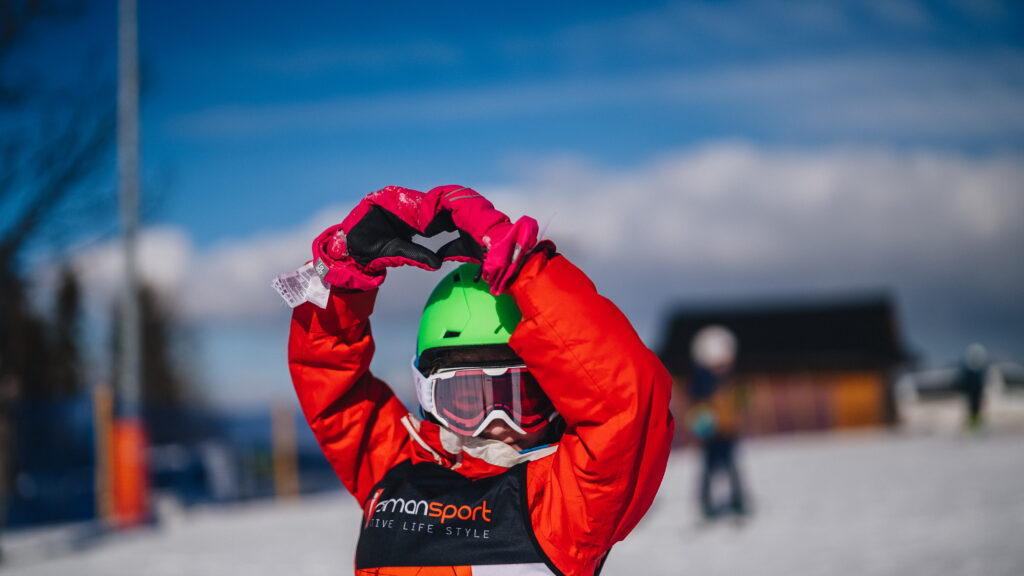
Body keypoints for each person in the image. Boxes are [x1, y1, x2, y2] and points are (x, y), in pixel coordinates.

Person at [283, 185, 674, 575]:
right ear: (429, 397)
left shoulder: (565, 506)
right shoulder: (395, 468)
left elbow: (622, 403)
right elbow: (329, 381)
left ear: (558, 396)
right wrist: (340, 272)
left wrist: (526, 271)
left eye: (522, 398)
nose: (498, 423)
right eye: (467, 399)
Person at [686, 325, 748, 520]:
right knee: (709, 469)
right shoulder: (702, 383)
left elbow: (741, 402)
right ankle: (707, 503)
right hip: (710, 434)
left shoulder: (732, 381)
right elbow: (697, 407)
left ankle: (737, 500)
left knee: (731, 467)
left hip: (727, 431)